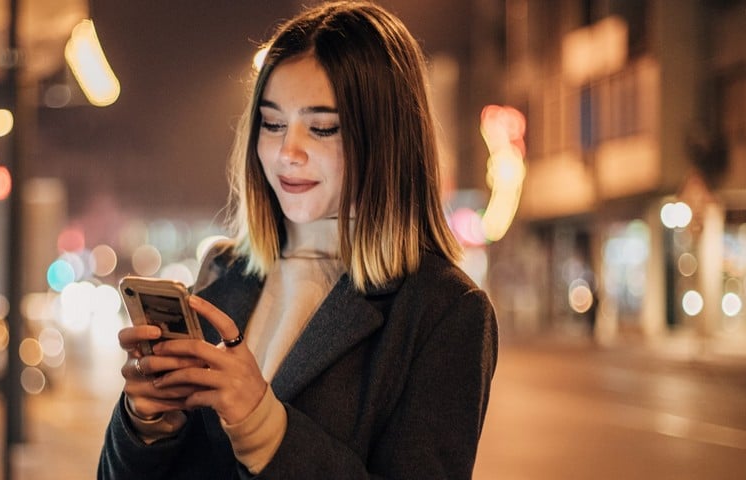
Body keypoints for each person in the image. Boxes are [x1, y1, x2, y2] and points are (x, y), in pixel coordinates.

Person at [98, 2, 498, 478]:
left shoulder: (445, 311)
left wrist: (263, 426)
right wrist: (146, 422)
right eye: (272, 123)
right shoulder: (226, 270)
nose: (289, 152)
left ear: (388, 138)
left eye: (322, 127)